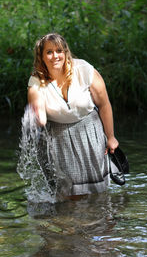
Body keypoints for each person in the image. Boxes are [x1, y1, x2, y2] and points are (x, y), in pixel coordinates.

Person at [27, 33, 119, 198]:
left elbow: (104, 104)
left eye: (59, 50)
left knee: (97, 193)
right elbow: (38, 111)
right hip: (58, 138)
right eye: (49, 52)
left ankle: (100, 221)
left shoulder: (84, 70)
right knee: (68, 195)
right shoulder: (35, 81)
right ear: (41, 56)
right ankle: (69, 222)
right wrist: (38, 117)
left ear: (65, 52)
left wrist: (111, 137)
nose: (55, 56)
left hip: (90, 132)